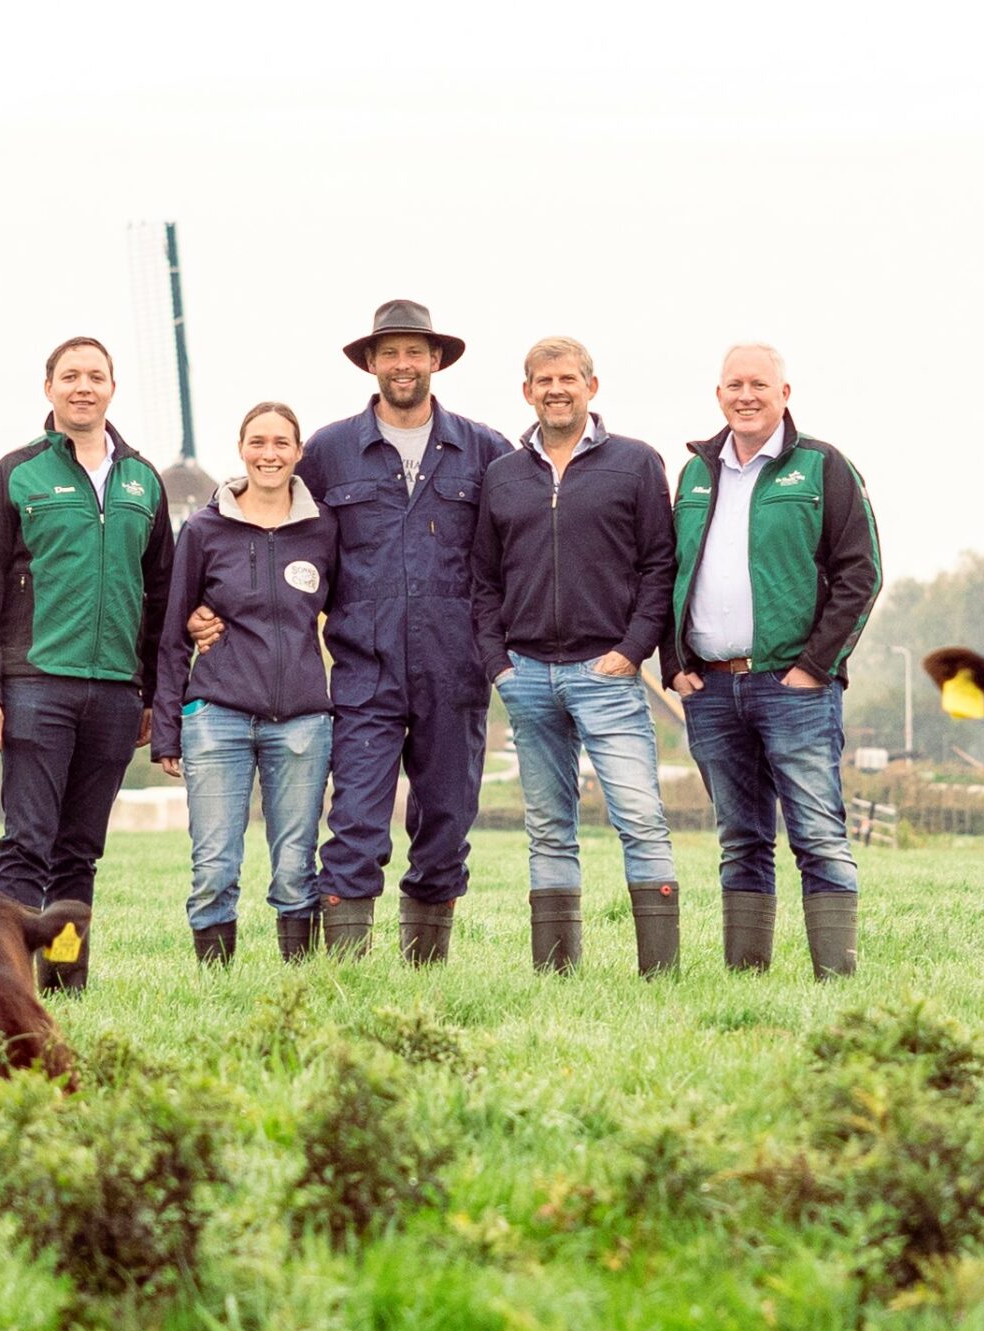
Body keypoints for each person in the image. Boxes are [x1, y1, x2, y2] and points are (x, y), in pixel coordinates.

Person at [189, 300, 512, 964]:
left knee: (447, 824)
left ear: (436, 360)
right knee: (357, 823)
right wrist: (207, 601)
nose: (402, 364)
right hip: (364, 669)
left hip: (456, 673)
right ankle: (347, 971)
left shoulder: (485, 450)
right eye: (388, 352)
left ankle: (426, 970)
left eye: (414, 352)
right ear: (370, 363)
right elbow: (261, 518)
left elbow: (521, 546)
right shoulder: (331, 453)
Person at [0, 336, 174, 992]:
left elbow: (160, 595)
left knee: (81, 850)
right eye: (71, 376)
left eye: (97, 376)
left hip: (114, 694)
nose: (85, 387)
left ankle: (65, 984)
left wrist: (152, 696)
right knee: (27, 842)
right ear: (49, 388)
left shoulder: (144, 481)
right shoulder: (16, 474)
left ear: (112, 389)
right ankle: (3, 982)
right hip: (34, 686)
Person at [660, 343, 882, 978]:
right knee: (741, 840)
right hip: (711, 688)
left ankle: (834, 980)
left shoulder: (822, 467)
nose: (746, 395)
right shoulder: (695, 473)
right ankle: (746, 978)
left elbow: (860, 574)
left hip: (795, 688)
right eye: (734, 385)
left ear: (785, 394)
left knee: (817, 835)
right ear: (719, 395)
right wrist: (674, 661)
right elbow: (669, 570)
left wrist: (814, 665)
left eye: (760, 384)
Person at [471, 337, 679, 975]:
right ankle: (556, 973)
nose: (555, 389)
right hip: (527, 675)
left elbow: (659, 566)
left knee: (640, 818)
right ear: (527, 391)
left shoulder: (636, 464)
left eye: (568, 378)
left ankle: (660, 975)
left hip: (607, 673)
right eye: (543, 380)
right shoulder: (503, 476)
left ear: (592, 385)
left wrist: (631, 650)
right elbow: (483, 580)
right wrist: (498, 664)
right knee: (547, 828)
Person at [151, 403, 337, 965]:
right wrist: (167, 729)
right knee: (214, 866)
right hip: (218, 718)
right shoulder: (205, 529)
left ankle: (296, 982)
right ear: (241, 450)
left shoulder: (323, 528)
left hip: (303, 722)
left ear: (298, 453)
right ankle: (217, 984)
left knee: (295, 865)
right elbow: (173, 634)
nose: (269, 454)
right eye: (258, 442)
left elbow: (349, 617)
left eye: (281, 443)